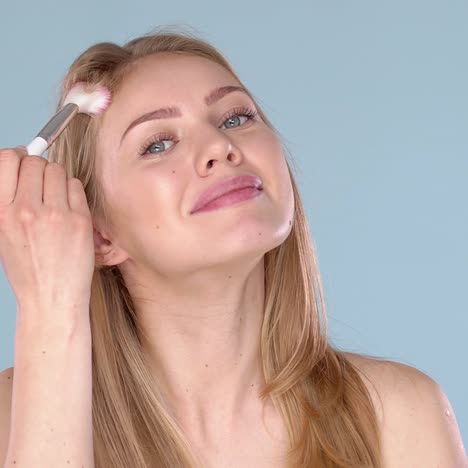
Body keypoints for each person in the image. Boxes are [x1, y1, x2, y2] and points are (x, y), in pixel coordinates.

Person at [0, 26, 466, 468]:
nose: (220, 146)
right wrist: (49, 310)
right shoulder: (11, 418)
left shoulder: (398, 416)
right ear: (100, 234)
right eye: (158, 144)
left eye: (236, 117)